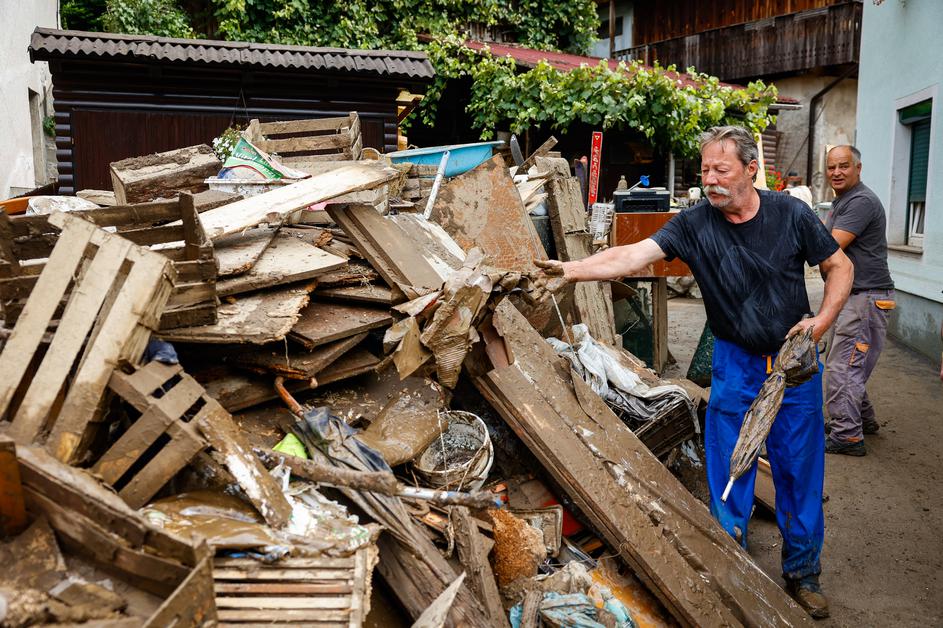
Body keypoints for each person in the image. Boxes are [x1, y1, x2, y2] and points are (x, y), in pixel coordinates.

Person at [529, 125, 853, 619]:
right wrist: (568, 270)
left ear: (751, 170)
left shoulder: (790, 214)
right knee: (728, 468)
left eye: (721, 170)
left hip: (794, 363)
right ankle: (731, 568)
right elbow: (630, 256)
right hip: (735, 361)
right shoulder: (695, 223)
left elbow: (839, 266)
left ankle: (803, 573)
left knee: (798, 467)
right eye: (705, 170)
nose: (711, 180)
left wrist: (822, 321)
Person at [822, 146, 895, 456]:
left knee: (843, 367)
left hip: (865, 296)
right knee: (851, 362)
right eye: (831, 167)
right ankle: (859, 419)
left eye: (844, 166)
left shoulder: (860, 202)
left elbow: (828, 245)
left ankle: (847, 435)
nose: (836, 172)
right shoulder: (844, 201)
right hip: (857, 295)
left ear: (858, 168)